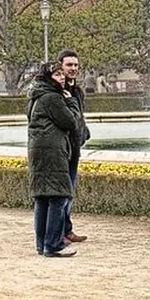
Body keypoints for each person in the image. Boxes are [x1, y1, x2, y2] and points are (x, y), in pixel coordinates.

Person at [26, 61, 77, 258]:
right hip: (52, 151)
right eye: (57, 75)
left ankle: (42, 244)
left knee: (42, 197)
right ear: (48, 78)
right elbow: (70, 121)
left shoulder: (36, 95)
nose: (62, 77)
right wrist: (70, 101)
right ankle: (54, 244)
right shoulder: (52, 97)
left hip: (38, 150)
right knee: (58, 196)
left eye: (61, 74)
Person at [58, 49, 90, 245]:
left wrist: (84, 133)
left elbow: (79, 117)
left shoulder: (77, 90)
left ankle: (67, 229)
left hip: (74, 146)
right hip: (61, 147)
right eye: (69, 65)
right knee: (61, 191)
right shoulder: (57, 90)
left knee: (69, 189)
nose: (73, 69)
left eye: (76, 65)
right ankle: (59, 231)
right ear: (60, 65)